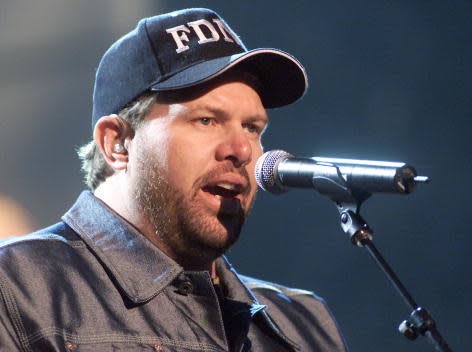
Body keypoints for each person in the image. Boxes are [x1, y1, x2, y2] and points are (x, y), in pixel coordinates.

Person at [0, 8, 347, 351]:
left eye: (252, 127)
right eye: (207, 120)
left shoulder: (305, 323)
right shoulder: (16, 286)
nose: (242, 149)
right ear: (117, 143)